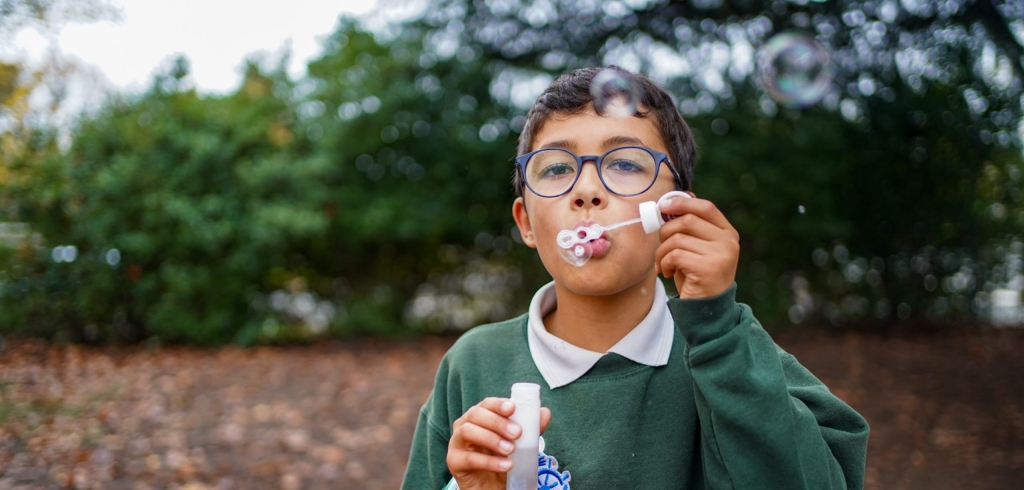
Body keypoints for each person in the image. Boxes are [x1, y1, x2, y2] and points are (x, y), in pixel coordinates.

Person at [401, 66, 869, 490]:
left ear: (674, 210)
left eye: (625, 163)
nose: (587, 190)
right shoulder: (473, 364)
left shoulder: (733, 352)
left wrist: (716, 326)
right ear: (526, 223)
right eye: (557, 168)